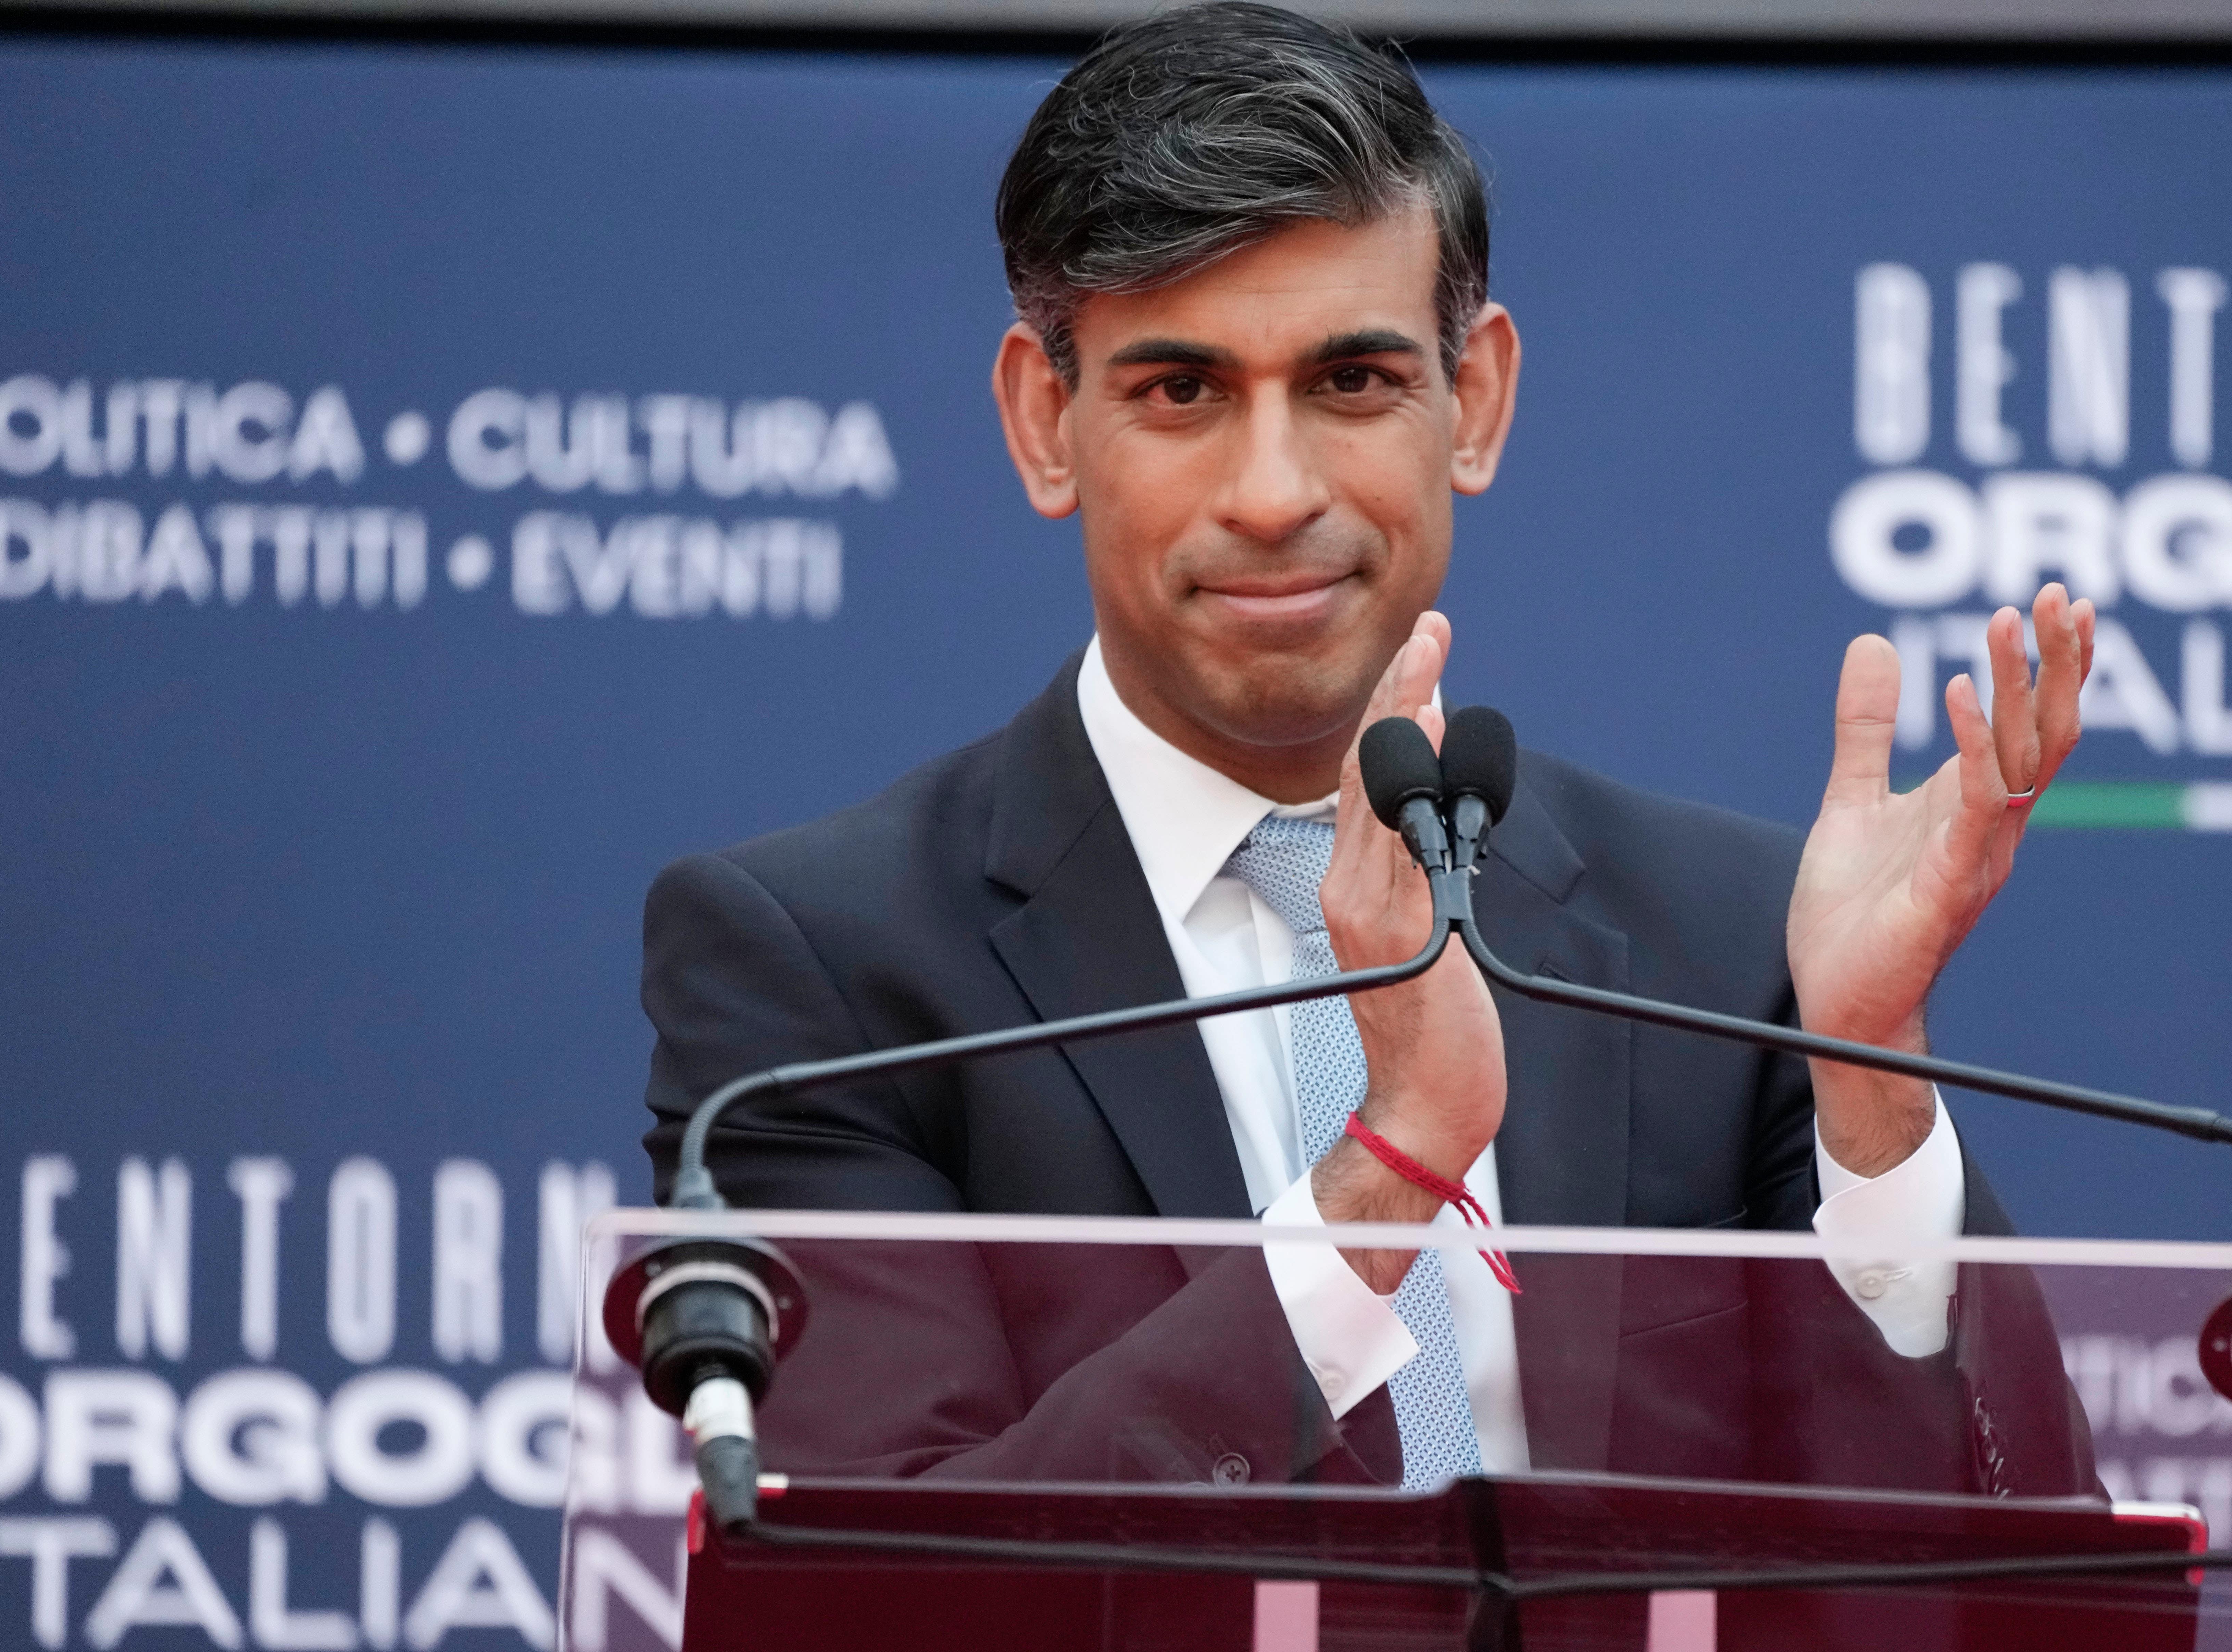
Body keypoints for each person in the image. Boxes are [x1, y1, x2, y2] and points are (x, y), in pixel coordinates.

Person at [639, 2, 2100, 1497]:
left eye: (1352, 383)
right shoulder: (830, 980)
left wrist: (1871, 1096)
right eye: (1182, 391)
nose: (1274, 493)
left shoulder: (1737, 952)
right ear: (1044, 421)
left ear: (1474, 401)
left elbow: (2002, 1574)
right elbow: (879, 1580)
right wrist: (1386, 1175)